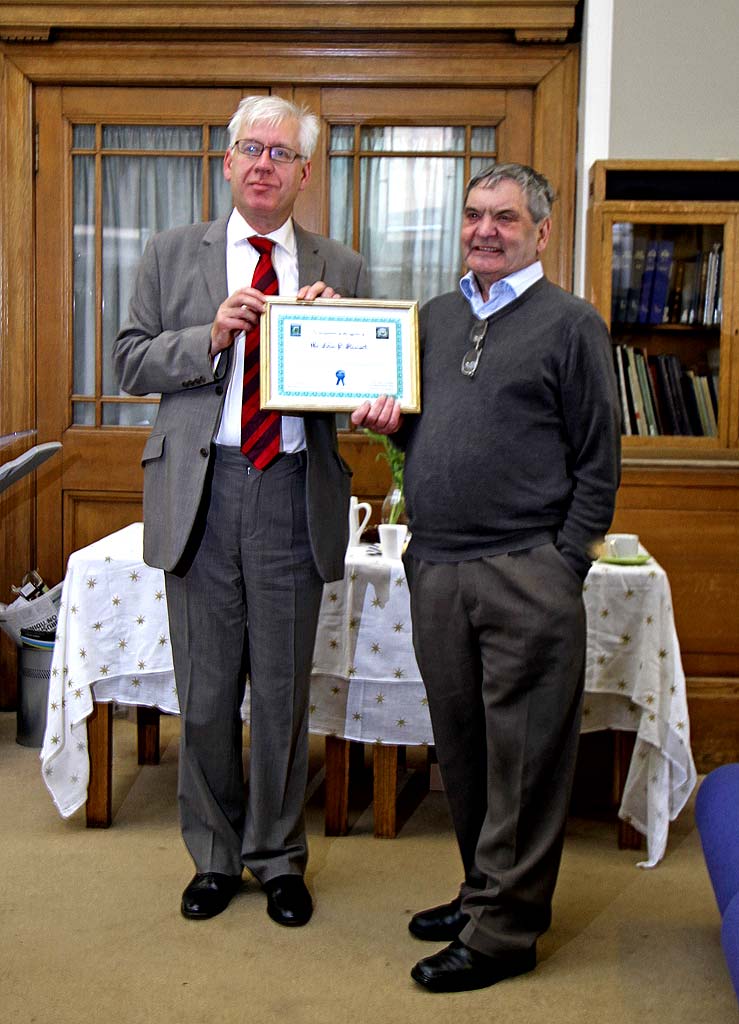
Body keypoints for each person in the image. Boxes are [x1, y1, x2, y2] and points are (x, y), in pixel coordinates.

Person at [352, 163, 621, 992]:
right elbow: (419, 429)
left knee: (525, 762)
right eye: (473, 214)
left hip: (525, 573)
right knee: (462, 753)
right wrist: (384, 415)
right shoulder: (431, 318)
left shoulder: (572, 326)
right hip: (435, 567)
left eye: (505, 217)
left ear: (540, 231)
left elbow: (598, 464)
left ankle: (504, 933)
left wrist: (560, 564)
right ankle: (480, 892)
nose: (485, 229)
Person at [113, 95, 368, 926]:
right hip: (203, 490)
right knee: (209, 691)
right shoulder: (167, 252)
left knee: (286, 692)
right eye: (250, 149)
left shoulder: (342, 265)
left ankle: (279, 859)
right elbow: (128, 361)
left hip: (294, 488)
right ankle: (216, 858)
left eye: (282, 153)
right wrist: (209, 337)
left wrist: (336, 349)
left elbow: (370, 386)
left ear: (302, 172)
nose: (264, 163)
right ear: (227, 163)